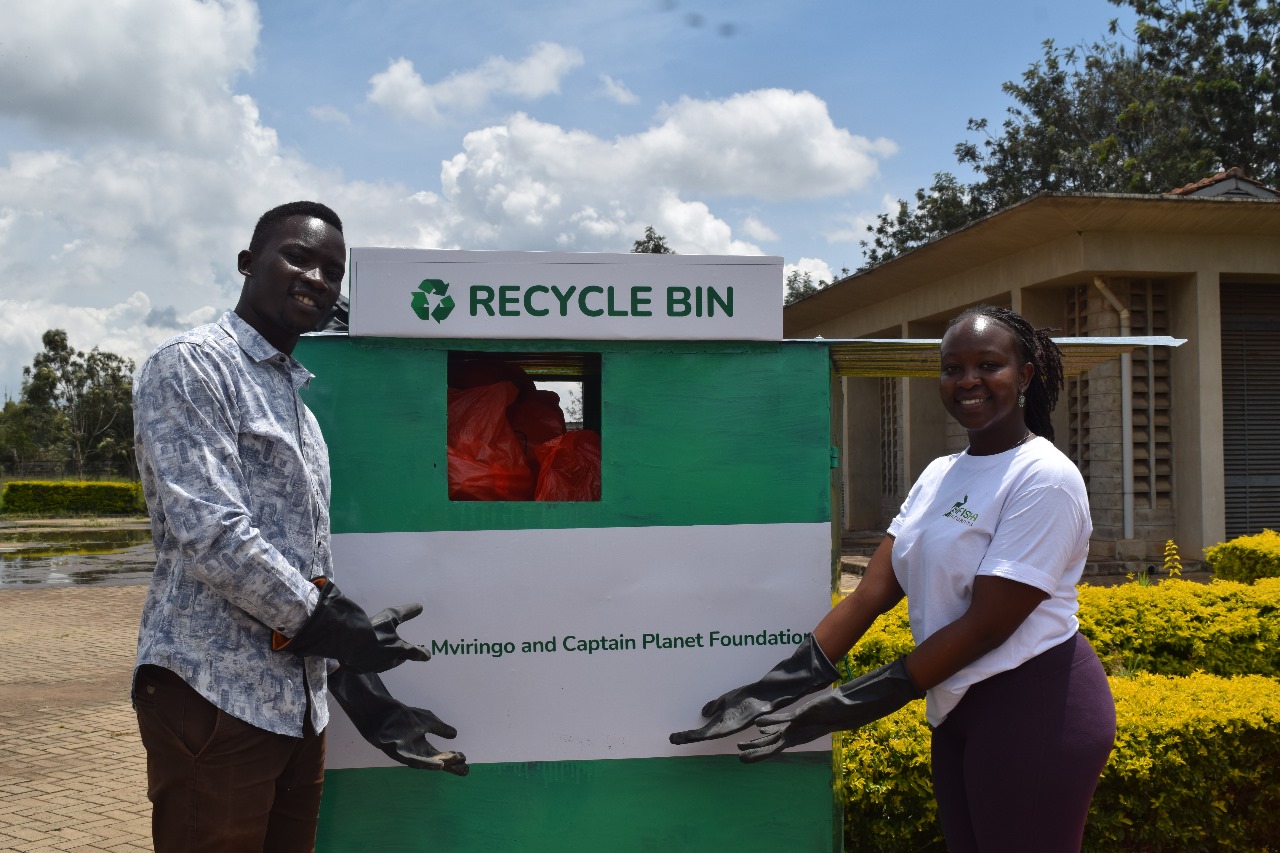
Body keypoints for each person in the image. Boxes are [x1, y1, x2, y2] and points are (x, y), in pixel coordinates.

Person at [672, 305, 1116, 852]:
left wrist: (849, 703)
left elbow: (985, 625)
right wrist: (776, 688)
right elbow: (873, 593)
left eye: (988, 365)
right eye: (952, 368)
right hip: (958, 703)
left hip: (1033, 701)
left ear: (1024, 375)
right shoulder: (939, 474)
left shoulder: (1045, 478)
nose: (968, 381)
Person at [132, 201, 466, 853]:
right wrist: (334, 624)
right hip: (214, 696)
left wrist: (361, 682)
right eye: (298, 256)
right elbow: (214, 535)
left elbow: (306, 561)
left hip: (297, 706)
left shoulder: (299, 410)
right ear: (247, 262)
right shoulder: (193, 366)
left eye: (333, 269)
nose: (317, 276)